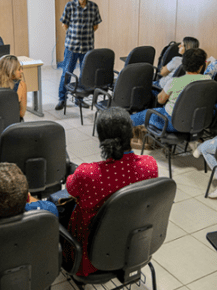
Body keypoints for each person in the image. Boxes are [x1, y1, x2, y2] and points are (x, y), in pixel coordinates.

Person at [65, 108, 158, 276]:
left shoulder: (88, 173)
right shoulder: (150, 165)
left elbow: (70, 189)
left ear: (101, 139)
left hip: (93, 250)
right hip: (132, 244)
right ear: (131, 133)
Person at [130, 48, 209, 132]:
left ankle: (119, 125)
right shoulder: (209, 80)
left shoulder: (175, 82)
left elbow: (160, 100)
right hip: (197, 123)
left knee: (144, 114)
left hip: (171, 123)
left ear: (183, 64)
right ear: (201, 66)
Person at [56, 0, 102, 111]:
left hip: (87, 47)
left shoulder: (93, 7)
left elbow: (95, 26)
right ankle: (62, 99)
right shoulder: (70, 6)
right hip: (71, 47)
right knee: (66, 72)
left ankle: (79, 99)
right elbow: (64, 24)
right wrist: (74, 35)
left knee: (84, 74)